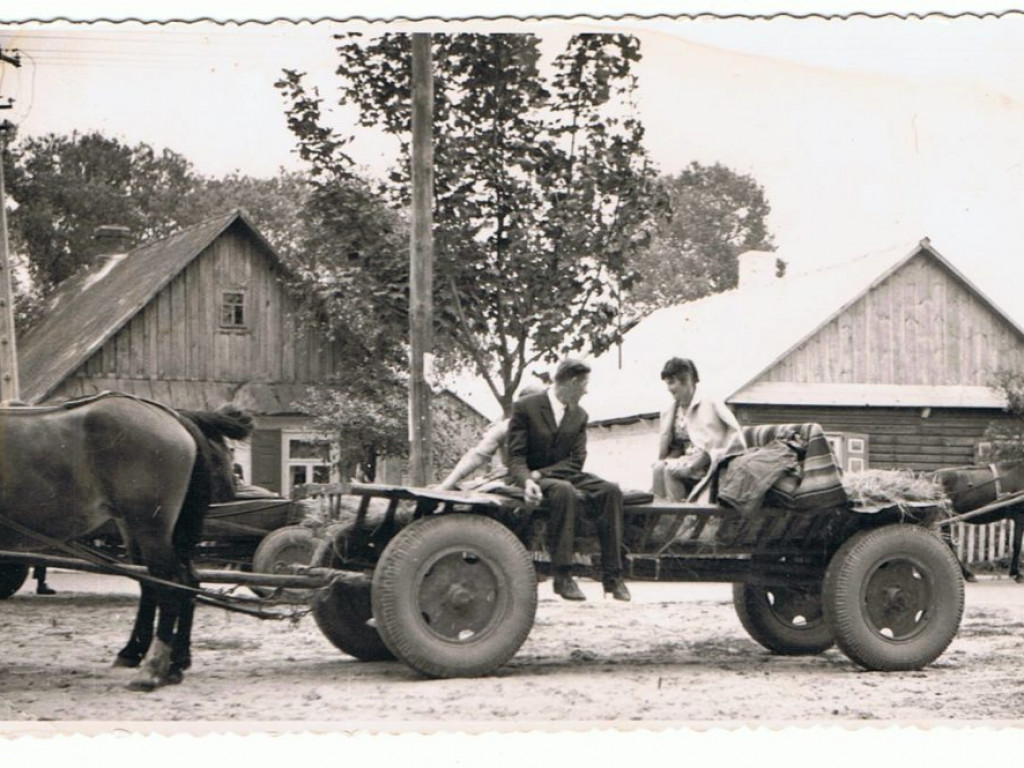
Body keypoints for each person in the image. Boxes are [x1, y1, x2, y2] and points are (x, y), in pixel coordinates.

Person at [507, 358, 630, 602]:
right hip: (533, 477)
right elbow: (515, 458)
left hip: (559, 474)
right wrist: (528, 481)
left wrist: (542, 474)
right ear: (572, 382)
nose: (586, 391)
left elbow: (576, 460)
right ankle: (562, 576)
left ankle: (613, 576)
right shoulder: (525, 407)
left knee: (610, 490)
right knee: (564, 491)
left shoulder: (580, 415)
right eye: (584, 385)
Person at [652, 357, 746, 503]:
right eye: (667, 384)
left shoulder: (710, 403)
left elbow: (724, 439)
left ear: (686, 380)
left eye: (671, 383)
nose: (668, 389)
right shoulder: (673, 410)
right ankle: (658, 512)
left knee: (670, 472)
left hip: (709, 463)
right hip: (688, 461)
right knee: (658, 468)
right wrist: (669, 460)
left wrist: (691, 467)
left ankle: (678, 513)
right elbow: (677, 446)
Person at [437, 383, 548, 491]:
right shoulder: (507, 427)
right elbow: (477, 456)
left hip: (543, 479)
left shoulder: (552, 429)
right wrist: (446, 485)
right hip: (511, 479)